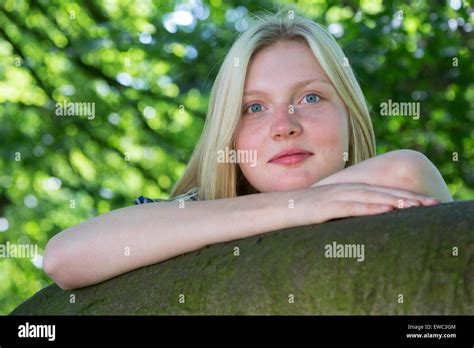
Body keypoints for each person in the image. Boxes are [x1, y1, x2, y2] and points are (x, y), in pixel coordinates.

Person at [43, 9, 452, 290]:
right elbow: (65, 256)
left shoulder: (394, 181)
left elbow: (405, 172)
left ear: (350, 115)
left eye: (310, 98)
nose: (284, 127)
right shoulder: (192, 212)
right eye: (254, 108)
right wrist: (298, 207)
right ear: (230, 136)